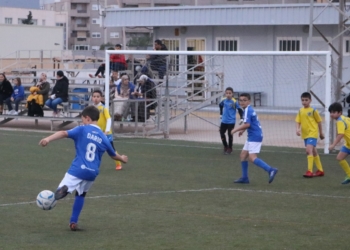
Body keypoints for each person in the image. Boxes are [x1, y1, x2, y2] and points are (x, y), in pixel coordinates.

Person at [38, 106, 128, 231]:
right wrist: (122, 158)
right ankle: (73, 221)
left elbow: (64, 133)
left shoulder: (82, 129)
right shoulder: (103, 137)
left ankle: (63, 190)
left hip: (78, 169)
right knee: (81, 194)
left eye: (82, 120)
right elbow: (113, 155)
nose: (82, 122)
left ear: (87, 118)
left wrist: (48, 139)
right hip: (92, 172)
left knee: (60, 191)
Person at [231, 93, 278, 184]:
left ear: (249, 101)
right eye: (240, 100)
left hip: (255, 136)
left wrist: (235, 130)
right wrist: (243, 131)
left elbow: (247, 124)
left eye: (245, 100)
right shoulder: (248, 109)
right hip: (252, 135)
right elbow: (250, 123)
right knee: (243, 155)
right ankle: (245, 178)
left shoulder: (248, 110)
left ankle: (270, 170)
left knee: (252, 158)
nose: (242, 102)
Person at [92, 89, 123, 170]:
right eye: (94, 96)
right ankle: (93, 164)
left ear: (101, 98)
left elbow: (109, 119)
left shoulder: (103, 108)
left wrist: (107, 130)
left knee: (111, 149)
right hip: (97, 133)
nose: (96, 98)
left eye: (98, 97)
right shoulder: (91, 109)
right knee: (94, 149)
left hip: (106, 133)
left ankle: (118, 163)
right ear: (92, 98)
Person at [295, 92, 325, 178]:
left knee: (308, 150)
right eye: (302, 100)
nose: (304, 102)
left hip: (312, 133)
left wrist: (321, 133)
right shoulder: (300, 111)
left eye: (306, 100)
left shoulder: (313, 110)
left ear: (310, 100)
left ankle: (310, 171)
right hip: (305, 135)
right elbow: (298, 121)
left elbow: (319, 121)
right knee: (314, 151)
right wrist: (297, 129)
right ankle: (320, 170)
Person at [328, 102, 350, 184]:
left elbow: (341, 134)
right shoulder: (345, 118)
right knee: (340, 158)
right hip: (348, 145)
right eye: (330, 112)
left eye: (333, 112)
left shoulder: (340, 121)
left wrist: (333, 145)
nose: (331, 114)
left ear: (339, 112)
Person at [219, 87, 243, 155]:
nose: (228, 94)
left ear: (232, 94)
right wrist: (221, 114)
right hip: (224, 120)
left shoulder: (234, 101)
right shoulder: (223, 100)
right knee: (221, 133)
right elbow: (220, 106)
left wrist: (241, 118)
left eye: (230, 93)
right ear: (225, 93)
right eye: (227, 93)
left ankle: (230, 148)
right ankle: (225, 146)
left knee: (230, 134)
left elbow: (240, 110)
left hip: (231, 121)